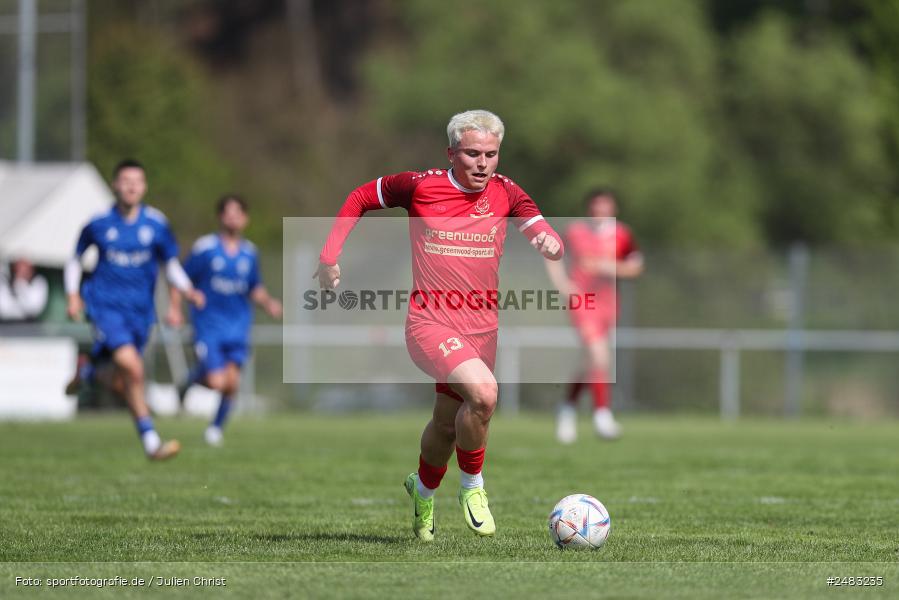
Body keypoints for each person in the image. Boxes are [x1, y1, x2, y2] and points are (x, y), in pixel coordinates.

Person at [315, 109, 564, 541]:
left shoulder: (507, 193)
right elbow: (359, 197)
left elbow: (545, 232)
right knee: (485, 394)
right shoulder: (420, 186)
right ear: (451, 153)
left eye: (491, 154)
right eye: (472, 153)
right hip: (429, 324)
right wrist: (329, 256)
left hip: (483, 330)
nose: (483, 163)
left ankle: (423, 489)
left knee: (448, 424)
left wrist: (550, 242)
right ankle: (472, 488)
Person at [64, 159, 204, 461]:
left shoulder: (155, 224)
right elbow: (75, 260)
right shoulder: (99, 222)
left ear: (144, 187)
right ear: (115, 185)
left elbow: (170, 265)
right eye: (125, 180)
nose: (131, 186)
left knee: (124, 377)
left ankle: (88, 371)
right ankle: (152, 441)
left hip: (140, 313)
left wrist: (188, 290)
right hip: (105, 308)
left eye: (137, 181)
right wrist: (73, 295)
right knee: (134, 369)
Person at [171, 194, 282, 447]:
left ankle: (215, 430)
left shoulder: (250, 252)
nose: (233, 217)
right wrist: (176, 309)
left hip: (238, 325)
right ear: (220, 216)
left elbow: (253, 287)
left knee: (232, 383)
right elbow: (181, 279)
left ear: (245, 218)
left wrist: (269, 303)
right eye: (228, 212)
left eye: (238, 212)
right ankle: (189, 382)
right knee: (216, 381)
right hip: (208, 325)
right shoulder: (206, 248)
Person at [545, 188, 643, 443]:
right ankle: (602, 415)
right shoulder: (575, 231)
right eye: (596, 206)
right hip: (582, 301)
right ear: (589, 208)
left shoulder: (622, 234)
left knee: (592, 360)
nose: (600, 211)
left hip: (608, 304)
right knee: (599, 355)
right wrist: (563, 285)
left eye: (605, 207)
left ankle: (567, 408)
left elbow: (636, 267)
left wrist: (608, 266)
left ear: (613, 209)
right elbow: (551, 255)